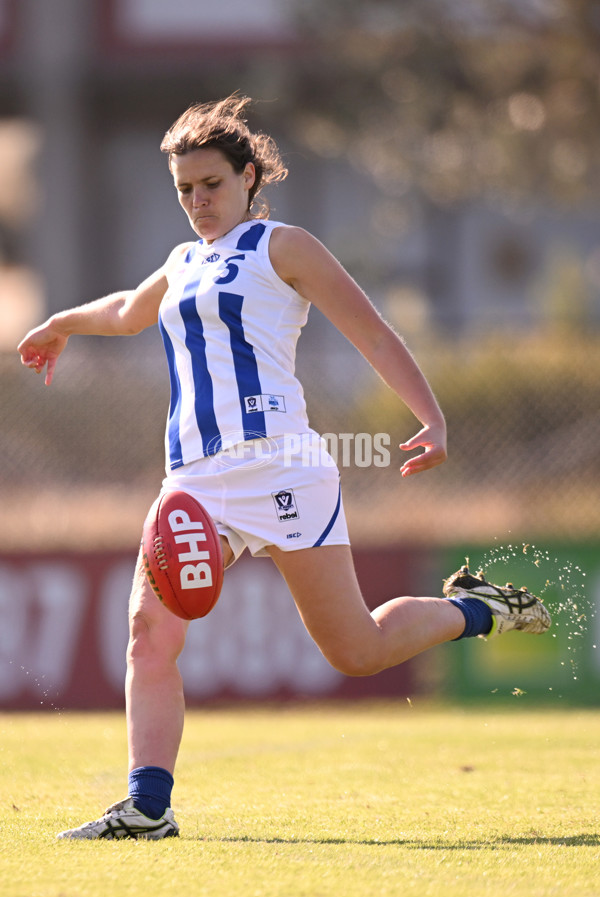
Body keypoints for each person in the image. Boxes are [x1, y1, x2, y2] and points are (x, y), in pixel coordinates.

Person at [18, 95, 551, 840]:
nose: (197, 201)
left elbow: (370, 329)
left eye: (210, 184)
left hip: (283, 475)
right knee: (147, 633)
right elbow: (125, 311)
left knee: (355, 651)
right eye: (183, 190)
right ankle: (148, 805)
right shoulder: (182, 263)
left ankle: (478, 609)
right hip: (193, 483)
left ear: (247, 178)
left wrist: (431, 415)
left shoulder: (283, 246)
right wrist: (59, 324)